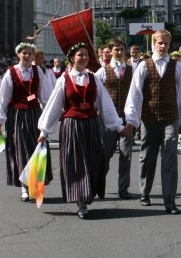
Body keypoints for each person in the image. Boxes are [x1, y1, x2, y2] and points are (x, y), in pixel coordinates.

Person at [38, 43, 129, 219]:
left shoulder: (93, 78)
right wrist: (44, 131)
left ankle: (86, 196)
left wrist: (118, 126)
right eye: (80, 55)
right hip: (72, 125)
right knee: (77, 163)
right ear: (72, 58)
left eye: (87, 55)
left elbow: (105, 105)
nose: (84, 58)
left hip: (91, 124)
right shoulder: (64, 79)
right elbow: (53, 107)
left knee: (92, 161)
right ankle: (81, 201)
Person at [124, 30, 181, 215]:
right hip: (149, 118)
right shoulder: (144, 66)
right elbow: (135, 94)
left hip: (171, 117)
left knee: (169, 157)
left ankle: (170, 201)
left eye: (166, 44)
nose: (162, 46)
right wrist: (132, 119)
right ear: (154, 44)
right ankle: (145, 192)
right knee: (148, 157)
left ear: (169, 45)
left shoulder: (176, 66)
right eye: (160, 43)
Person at [0, 43, 55, 202]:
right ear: (18, 55)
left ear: (33, 56)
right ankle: (24, 187)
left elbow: (45, 96)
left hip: (34, 114)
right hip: (17, 115)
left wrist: (49, 115)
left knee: (36, 149)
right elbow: (4, 97)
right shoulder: (11, 72)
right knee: (20, 149)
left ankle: (35, 185)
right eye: (23, 53)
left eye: (29, 53)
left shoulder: (38, 71)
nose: (26, 56)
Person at [94, 39, 136, 199]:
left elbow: (137, 94)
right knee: (106, 152)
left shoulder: (132, 70)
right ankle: (98, 184)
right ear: (110, 51)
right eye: (116, 49)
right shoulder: (102, 71)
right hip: (107, 120)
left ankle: (123, 189)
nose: (119, 52)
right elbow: (95, 94)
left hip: (127, 118)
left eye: (122, 49)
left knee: (126, 154)